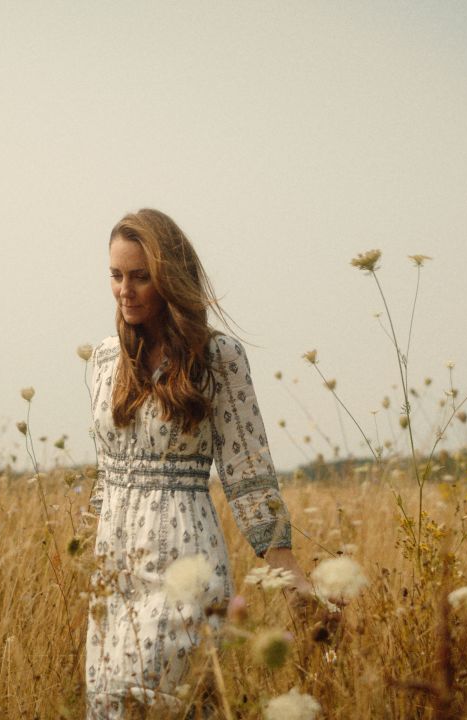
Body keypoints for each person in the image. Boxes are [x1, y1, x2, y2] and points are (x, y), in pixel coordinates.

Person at [84, 208, 318, 717]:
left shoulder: (218, 358)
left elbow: (247, 471)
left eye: (140, 277)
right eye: (116, 275)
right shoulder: (104, 360)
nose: (125, 289)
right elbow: (105, 475)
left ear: (170, 279)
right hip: (115, 569)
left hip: (185, 560)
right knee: (110, 704)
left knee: (172, 701)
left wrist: (290, 575)